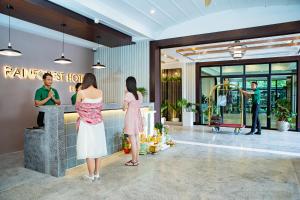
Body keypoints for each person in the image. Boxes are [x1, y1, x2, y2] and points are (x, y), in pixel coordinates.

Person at [75, 73, 107, 182]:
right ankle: (97, 174)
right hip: (98, 124)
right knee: (98, 149)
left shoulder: (81, 92)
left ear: (85, 81)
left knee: (89, 150)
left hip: (86, 124)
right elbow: (100, 108)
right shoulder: (100, 92)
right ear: (94, 81)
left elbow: (77, 108)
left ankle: (90, 175)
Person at [123, 76, 143, 166]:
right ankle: (136, 160)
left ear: (128, 84)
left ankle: (133, 161)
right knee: (137, 140)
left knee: (132, 140)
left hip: (130, 118)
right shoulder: (139, 94)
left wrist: (125, 95)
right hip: (137, 117)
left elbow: (124, 108)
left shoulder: (128, 94)